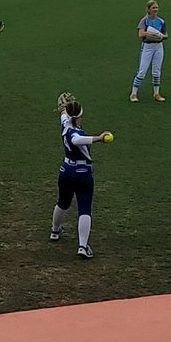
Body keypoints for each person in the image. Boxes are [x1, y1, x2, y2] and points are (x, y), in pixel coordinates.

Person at [49, 99, 112, 258]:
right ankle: (83, 246)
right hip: (82, 173)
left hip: (66, 170)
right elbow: (76, 140)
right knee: (84, 208)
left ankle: (55, 231)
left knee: (62, 203)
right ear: (79, 116)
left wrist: (63, 109)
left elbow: (64, 115)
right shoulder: (75, 132)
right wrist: (98, 138)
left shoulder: (65, 123)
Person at [129, 0, 168, 103]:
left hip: (158, 46)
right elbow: (140, 34)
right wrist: (151, 33)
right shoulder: (144, 21)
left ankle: (156, 93)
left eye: (156, 7)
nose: (156, 9)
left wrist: (161, 36)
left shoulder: (161, 21)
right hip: (147, 47)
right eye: (153, 8)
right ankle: (133, 94)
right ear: (148, 9)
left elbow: (165, 35)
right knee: (142, 71)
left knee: (156, 71)